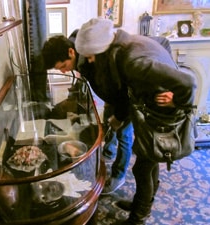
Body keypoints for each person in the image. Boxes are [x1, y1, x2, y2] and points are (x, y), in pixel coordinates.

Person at [74, 18, 196, 224]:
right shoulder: (126, 43)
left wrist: (176, 101)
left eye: (91, 57)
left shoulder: (132, 62)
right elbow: (163, 44)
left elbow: (188, 82)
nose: (91, 62)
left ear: (102, 50)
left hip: (163, 116)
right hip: (152, 112)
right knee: (149, 161)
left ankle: (139, 216)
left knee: (142, 168)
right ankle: (143, 202)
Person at [42, 29, 134, 194]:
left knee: (124, 135)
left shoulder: (91, 57)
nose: (64, 71)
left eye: (63, 66)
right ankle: (108, 152)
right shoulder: (75, 44)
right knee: (109, 122)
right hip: (112, 94)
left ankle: (119, 176)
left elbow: (123, 94)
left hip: (126, 96)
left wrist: (119, 117)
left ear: (71, 52)